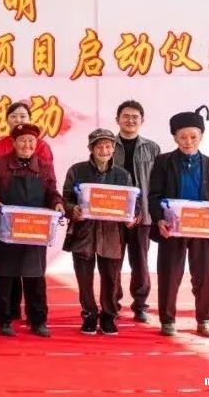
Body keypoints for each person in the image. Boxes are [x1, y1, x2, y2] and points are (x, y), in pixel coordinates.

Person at [148, 106, 209, 338]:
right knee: (169, 275)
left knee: (205, 276)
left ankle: (206, 321)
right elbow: (154, 195)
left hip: (202, 230)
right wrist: (159, 219)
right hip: (172, 228)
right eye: (183, 137)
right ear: (174, 137)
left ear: (201, 136)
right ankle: (167, 320)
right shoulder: (163, 161)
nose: (188, 141)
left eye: (193, 136)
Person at [0, 123, 65, 338]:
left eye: (31, 141)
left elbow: (52, 192)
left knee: (34, 276)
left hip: (33, 230)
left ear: (36, 143)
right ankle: (4, 321)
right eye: (22, 141)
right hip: (4, 230)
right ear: (13, 142)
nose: (27, 145)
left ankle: (38, 321)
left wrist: (57, 203)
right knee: (4, 276)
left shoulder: (44, 166)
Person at [62, 128, 139, 336]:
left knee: (111, 278)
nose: (104, 150)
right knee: (84, 279)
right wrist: (73, 210)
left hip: (112, 234)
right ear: (91, 149)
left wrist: (133, 216)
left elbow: (134, 203)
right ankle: (89, 314)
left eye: (108, 146)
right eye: (99, 146)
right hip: (83, 233)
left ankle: (108, 316)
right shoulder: (76, 171)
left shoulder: (123, 175)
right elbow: (66, 198)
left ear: (113, 149)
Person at [112, 100, 161, 324]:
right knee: (112, 262)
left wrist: (153, 213)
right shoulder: (108, 145)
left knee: (140, 262)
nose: (130, 120)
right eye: (126, 116)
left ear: (142, 121)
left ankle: (140, 305)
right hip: (113, 215)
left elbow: (157, 183)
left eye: (135, 117)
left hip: (143, 216)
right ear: (117, 119)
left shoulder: (152, 148)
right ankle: (112, 304)